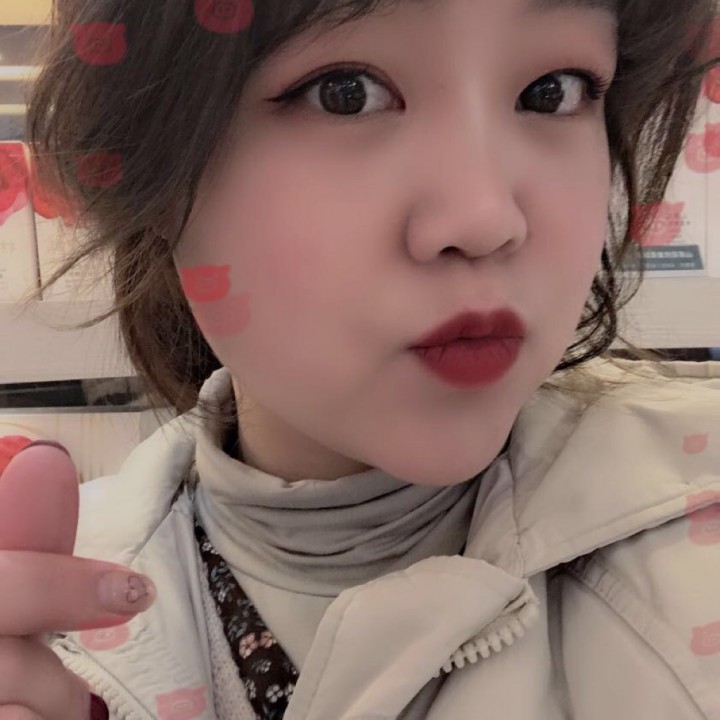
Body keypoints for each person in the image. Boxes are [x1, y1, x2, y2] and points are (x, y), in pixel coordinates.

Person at [2, 0, 719, 718]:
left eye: (552, 91)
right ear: (151, 166)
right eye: (344, 94)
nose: (485, 219)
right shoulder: (47, 623)